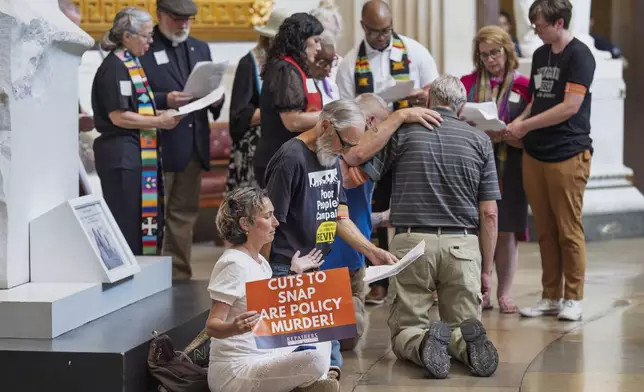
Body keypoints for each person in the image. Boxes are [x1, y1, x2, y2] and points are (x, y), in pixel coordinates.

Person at [342, 74, 500, 379]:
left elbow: (355, 173)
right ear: (462, 106)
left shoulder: (403, 133)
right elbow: (490, 213)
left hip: (412, 244)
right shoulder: (481, 140)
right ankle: (468, 347)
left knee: (406, 328)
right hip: (463, 245)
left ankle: (422, 341)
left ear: (429, 102)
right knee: (461, 325)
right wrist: (486, 269)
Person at [335, 0, 440, 304]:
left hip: (409, 139)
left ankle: (420, 278)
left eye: (387, 30)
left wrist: (423, 94)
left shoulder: (414, 51)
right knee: (374, 205)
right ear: (363, 27)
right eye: (377, 32)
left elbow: (435, 89)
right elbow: (344, 110)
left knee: (413, 204)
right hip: (371, 144)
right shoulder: (349, 63)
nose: (383, 37)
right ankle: (379, 279)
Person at [324, 93, 441, 356]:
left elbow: (354, 212)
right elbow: (349, 168)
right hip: (331, 262)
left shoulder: (365, 160)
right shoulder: (339, 154)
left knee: (348, 339)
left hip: (354, 262)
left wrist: (383, 217)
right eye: (384, 125)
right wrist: (401, 115)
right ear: (372, 121)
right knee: (339, 340)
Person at [504, 0, 595, 322]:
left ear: (559, 23)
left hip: (567, 152)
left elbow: (570, 106)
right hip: (535, 152)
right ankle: (550, 295)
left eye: (540, 25)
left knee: (568, 229)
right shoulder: (541, 55)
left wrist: (525, 126)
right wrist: (517, 127)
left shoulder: (580, 55)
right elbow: (537, 101)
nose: (536, 30)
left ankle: (573, 297)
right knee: (544, 229)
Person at [206, 186, 339, 392]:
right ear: (245, 224)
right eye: (268, 216)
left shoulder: (260, 261)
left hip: (265, 352)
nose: (276, 222)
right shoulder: (233, 263)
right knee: (314, 360)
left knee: (322, 330)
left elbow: (273, 310)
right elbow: (212, 326)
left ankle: (311, 383)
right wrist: (234, 327)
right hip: (236, 369)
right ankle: (313, 382)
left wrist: (294, 274)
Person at [261, 99, 398, 277]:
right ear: (326, 126)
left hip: (314, 265)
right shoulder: (291, 158)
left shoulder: (329, 157)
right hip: (285, 267)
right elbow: (268, 222)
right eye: (345, 144)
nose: (346, 152)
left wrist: (372, 251)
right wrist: (264, 275)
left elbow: (339, 216)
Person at [138, 0, 225, 280]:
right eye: (177, 19)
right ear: (160, 15)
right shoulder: (144, 47)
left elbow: (208, 96)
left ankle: (179, 276)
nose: (184, 25)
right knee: (152, 215)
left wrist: (216, 97)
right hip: (158, 144)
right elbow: (131, 95)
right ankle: (148, 277)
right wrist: (166, 99)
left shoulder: (200, 48)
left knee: (183, 215)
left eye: (188, 19)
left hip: (193, 145)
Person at [91, 7, 181, 256]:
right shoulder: (115, 67)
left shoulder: (132, 63)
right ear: (127, 36)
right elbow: (118, 116)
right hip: (121, 157)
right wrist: (158, 121)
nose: (151, 41)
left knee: (143, 219)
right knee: (127, 222)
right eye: (146, 36)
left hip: (135, 153)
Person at [460, 25, 532, 314]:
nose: (490, 60)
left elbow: (533, 128)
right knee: (476, 228)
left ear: (507, 51)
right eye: (484, 55)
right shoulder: (466, 84)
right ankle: (480, 290)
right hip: (474, 165)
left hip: (510, 164)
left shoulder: (524, 86)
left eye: (495, 53)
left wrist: (511, 134)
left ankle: (504, 293)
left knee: (506, 230)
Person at [253, 12, 324, 187]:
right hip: (279, 159)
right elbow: (292, 121)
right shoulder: (285, 69)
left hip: (294, 157)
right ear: (301, 40)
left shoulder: (297, 68)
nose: (319, 47)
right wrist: (332, 114)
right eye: (316, 40)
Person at [225, 11, 287, 194]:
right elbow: (238, 117)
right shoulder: (249, 63)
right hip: (252, 150)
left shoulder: (285, 64)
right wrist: (276, 107)